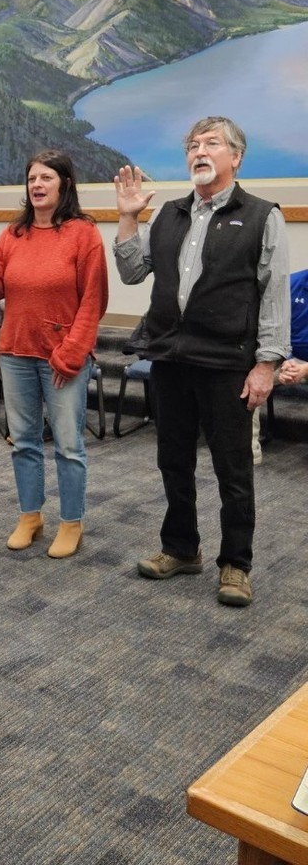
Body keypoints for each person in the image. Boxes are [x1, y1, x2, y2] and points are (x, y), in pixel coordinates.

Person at [114, 116, 290, 608]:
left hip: (227, 363)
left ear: (236, 156)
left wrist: (267, 364)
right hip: (171, 358)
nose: (199, 151)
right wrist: (128, 217)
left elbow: (273, 295)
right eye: (193, 144)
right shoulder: (167, 215)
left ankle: (236, 563)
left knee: (233, 469)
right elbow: (131, 272)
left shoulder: (261, 216)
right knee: (173, 461)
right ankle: (180, 548)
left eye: (212, 143)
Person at [0, 151, 108, 559]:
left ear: (65, 184)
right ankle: (31, 516)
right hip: (15, 354)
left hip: (62, 359)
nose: (37, 185)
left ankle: (71, 522)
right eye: (32, 179)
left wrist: (71, 355)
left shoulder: (84, 234)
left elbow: (93, 302)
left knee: (68, 446)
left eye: (46, 177)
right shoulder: (14, 235)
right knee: (24, 442)